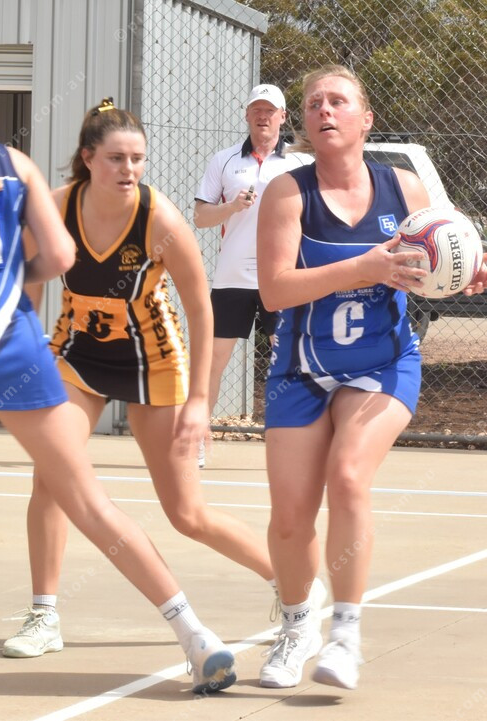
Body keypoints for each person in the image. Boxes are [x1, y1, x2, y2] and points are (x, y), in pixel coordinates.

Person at [0, 19, 237, 703]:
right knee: (89, 501)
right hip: (16, 344)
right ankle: (196, 637)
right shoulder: (16, 164)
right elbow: (58, 256)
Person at [2, 98, 326, 660]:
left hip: (150, 360)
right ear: (88, 159)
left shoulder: (160, 219)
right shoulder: (57, 208)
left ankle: (292, 583)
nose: (128, 169)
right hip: (77, 353)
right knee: (50, 478)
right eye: (116, 158)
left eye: (137, 158)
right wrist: (22, 361)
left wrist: (200, 400)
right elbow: (29, 293)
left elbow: (200, 308)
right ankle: (43, 615)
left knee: (186, 514)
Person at [255, 64, 435, 691]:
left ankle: (346, 635)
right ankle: (297, 625)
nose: (324, 110)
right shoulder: (287, 192)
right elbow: (275, 290)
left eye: (337, 101)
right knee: (289, 518)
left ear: (366, 119)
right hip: (302, 368)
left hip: (383, 362)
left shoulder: (404, 189)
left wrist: (465, 273)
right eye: (313, 103)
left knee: (349, 475)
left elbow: (439, 260)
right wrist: (365, 267)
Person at [193, 84, 307, 468]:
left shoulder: (299, 163)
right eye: (256, 109)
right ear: (247, 115)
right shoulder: (224, 160)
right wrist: (231, 207)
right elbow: (200, 217)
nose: (263, 116)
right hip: (232, 279)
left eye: (270, 110)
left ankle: (291, 445)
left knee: (287, 359)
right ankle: (198, 443)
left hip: (282, 278)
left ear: (282, 117)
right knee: (212, 361)